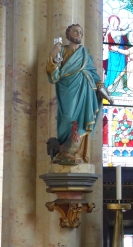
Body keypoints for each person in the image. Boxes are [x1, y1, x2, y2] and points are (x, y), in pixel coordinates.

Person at [47, 24, 112, 165]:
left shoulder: (85, 55)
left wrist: (103, 91)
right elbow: (54, 77)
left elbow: (94, 76)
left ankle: (75, 152)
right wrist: (52, 56)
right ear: (68, 34)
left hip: (85, 93)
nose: (79, 34)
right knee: (68, 118)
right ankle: (63, 150)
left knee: (81, 122)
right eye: (75, 31)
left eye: (81, 32)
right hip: (67, 92)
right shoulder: (61, 51)